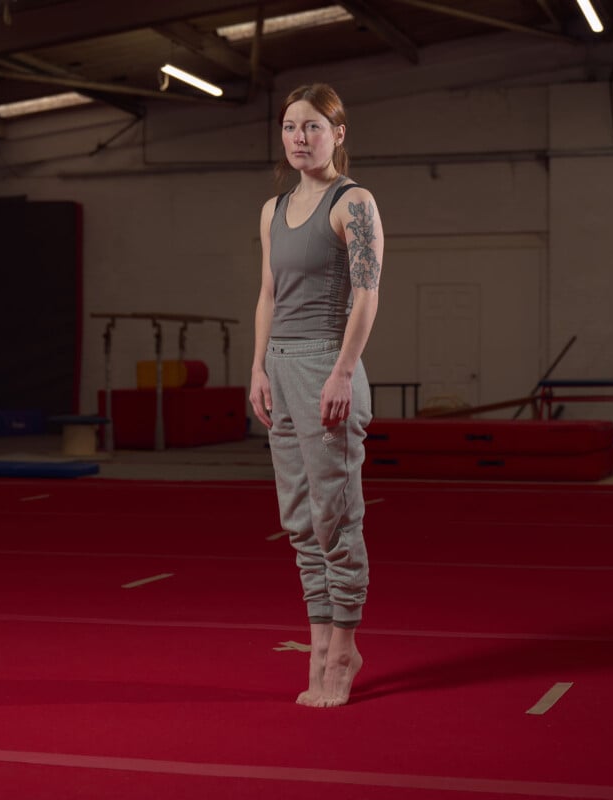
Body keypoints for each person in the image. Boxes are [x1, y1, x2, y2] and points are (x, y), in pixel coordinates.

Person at [249, 83, 384, 708]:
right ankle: (320, 638)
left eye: (312, 127)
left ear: (338, 133)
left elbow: (366, 295)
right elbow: (269, 295)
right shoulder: (272, 208)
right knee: (300, 519)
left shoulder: (352, 203)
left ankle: (344, 645)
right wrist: (257, 366)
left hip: (328, 364)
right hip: (280, 365)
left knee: (335, 515)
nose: (299, 138)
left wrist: (341, 370)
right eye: (289, 127)